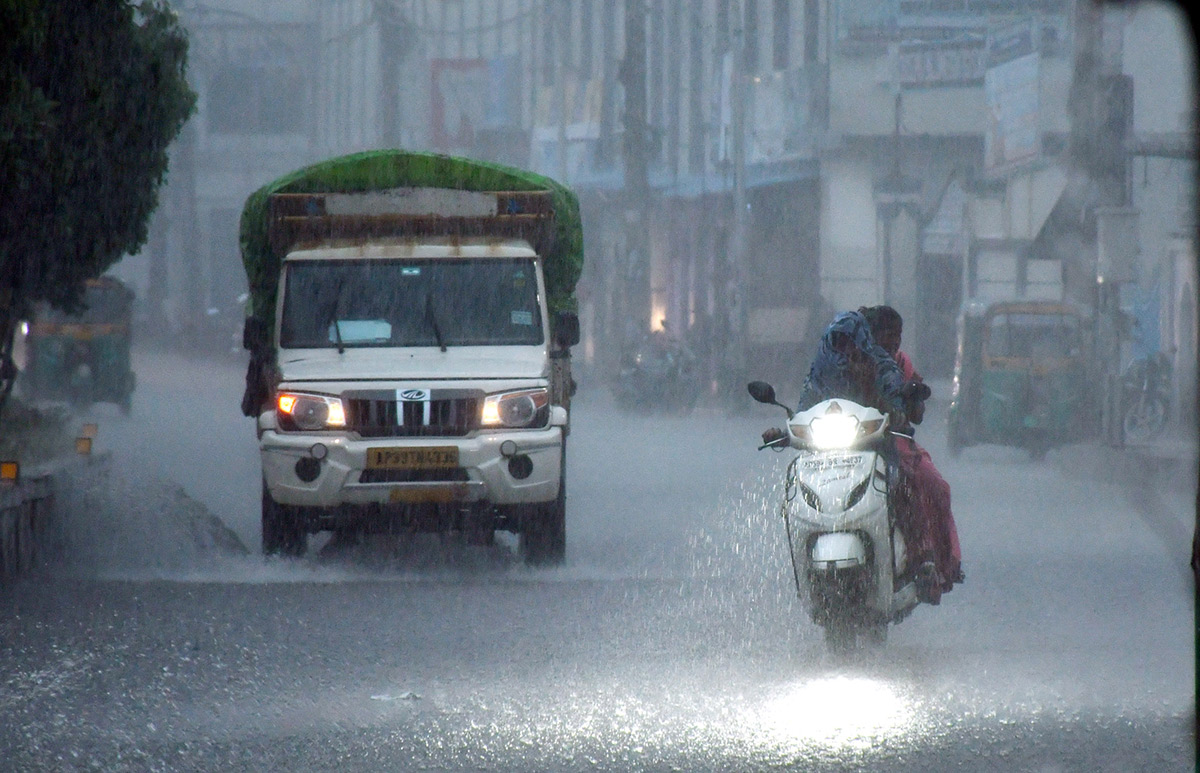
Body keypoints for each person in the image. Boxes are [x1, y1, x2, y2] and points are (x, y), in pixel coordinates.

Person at [761, 309, 955, 603]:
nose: (846, 350)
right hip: (829, 455)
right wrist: (784, 431)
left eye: (850, 343)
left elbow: (903, 408)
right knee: (791, 496)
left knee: (905, 485)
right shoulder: (822, 373)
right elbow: (804, 412)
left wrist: (896, 400)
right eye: (840, 343)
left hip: (876, 448)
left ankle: (924, 560)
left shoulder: (887, 368)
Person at [859, 305, 963, 602]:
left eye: (898, 336)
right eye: (886, 335)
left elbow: (915, 416)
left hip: (894, 444)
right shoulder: (850, 360)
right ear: (871, 335)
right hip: (850, 447)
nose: (893, 342)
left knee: (932, 486)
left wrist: (913, 395)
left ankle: (930, 563)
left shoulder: (901, 363)